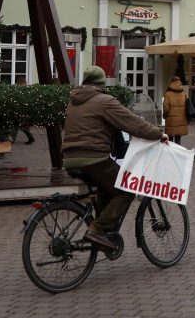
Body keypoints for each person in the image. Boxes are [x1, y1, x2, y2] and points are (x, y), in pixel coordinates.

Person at [62, 65, 168, 251]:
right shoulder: (103, 101)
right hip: (93, 158)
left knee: (107, 188)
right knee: (126, 189)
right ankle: (97, 230)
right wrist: (158, 134)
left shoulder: (73, 100)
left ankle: (99, 232)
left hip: (70, 158)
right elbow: (132, 123)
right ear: (102, 83)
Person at [162, 76, 189, 143]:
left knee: (170, 141)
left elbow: (166, 108)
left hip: (171, 120)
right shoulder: (184, 94)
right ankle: (178, 152)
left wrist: (164, 116)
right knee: (178, 140)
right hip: (181, 119)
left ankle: (171, 153)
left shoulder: (168, 94)